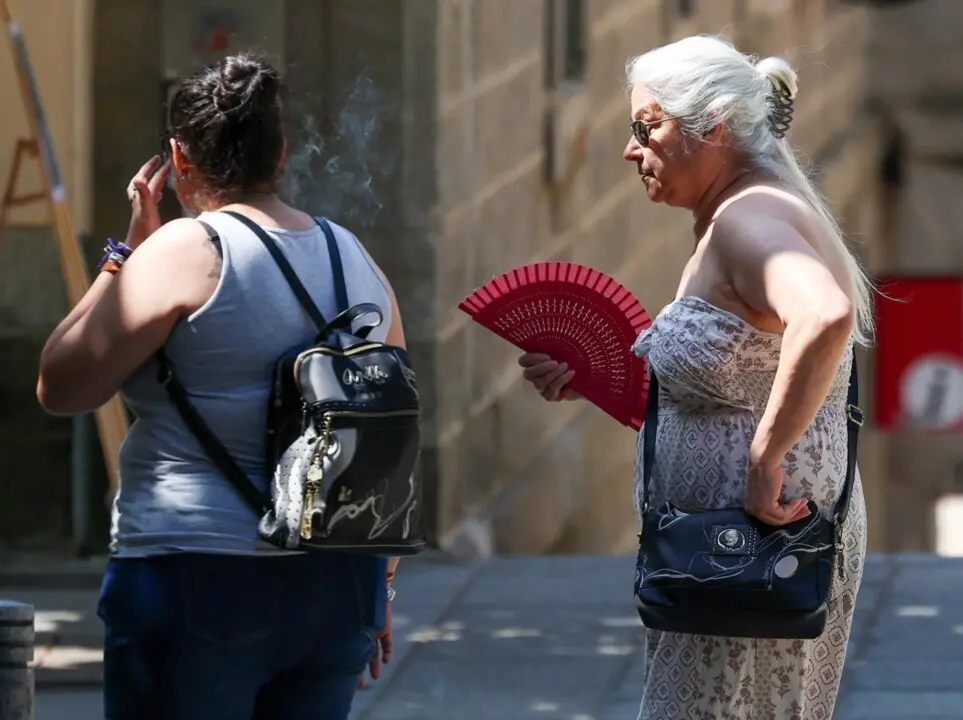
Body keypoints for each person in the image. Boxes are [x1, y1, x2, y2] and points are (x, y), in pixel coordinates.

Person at [36, 53, 401, 719]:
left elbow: (61, 384)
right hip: (337, 586)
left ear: (180, 158)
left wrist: (122, 257)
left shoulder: (184, 250)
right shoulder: (354, 258)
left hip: (197, 575)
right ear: (281, 151)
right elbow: (387, 440)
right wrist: (379, 591)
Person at [519, 36, 869, 720]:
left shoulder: (747, 219)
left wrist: (765, 459)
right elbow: (735, 370)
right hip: (741, 551)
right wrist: (598, 372)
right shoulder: (742, 212)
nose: (629, 149)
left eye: (646, 126)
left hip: (752, 546)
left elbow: (824, 315)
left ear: (711, 127)